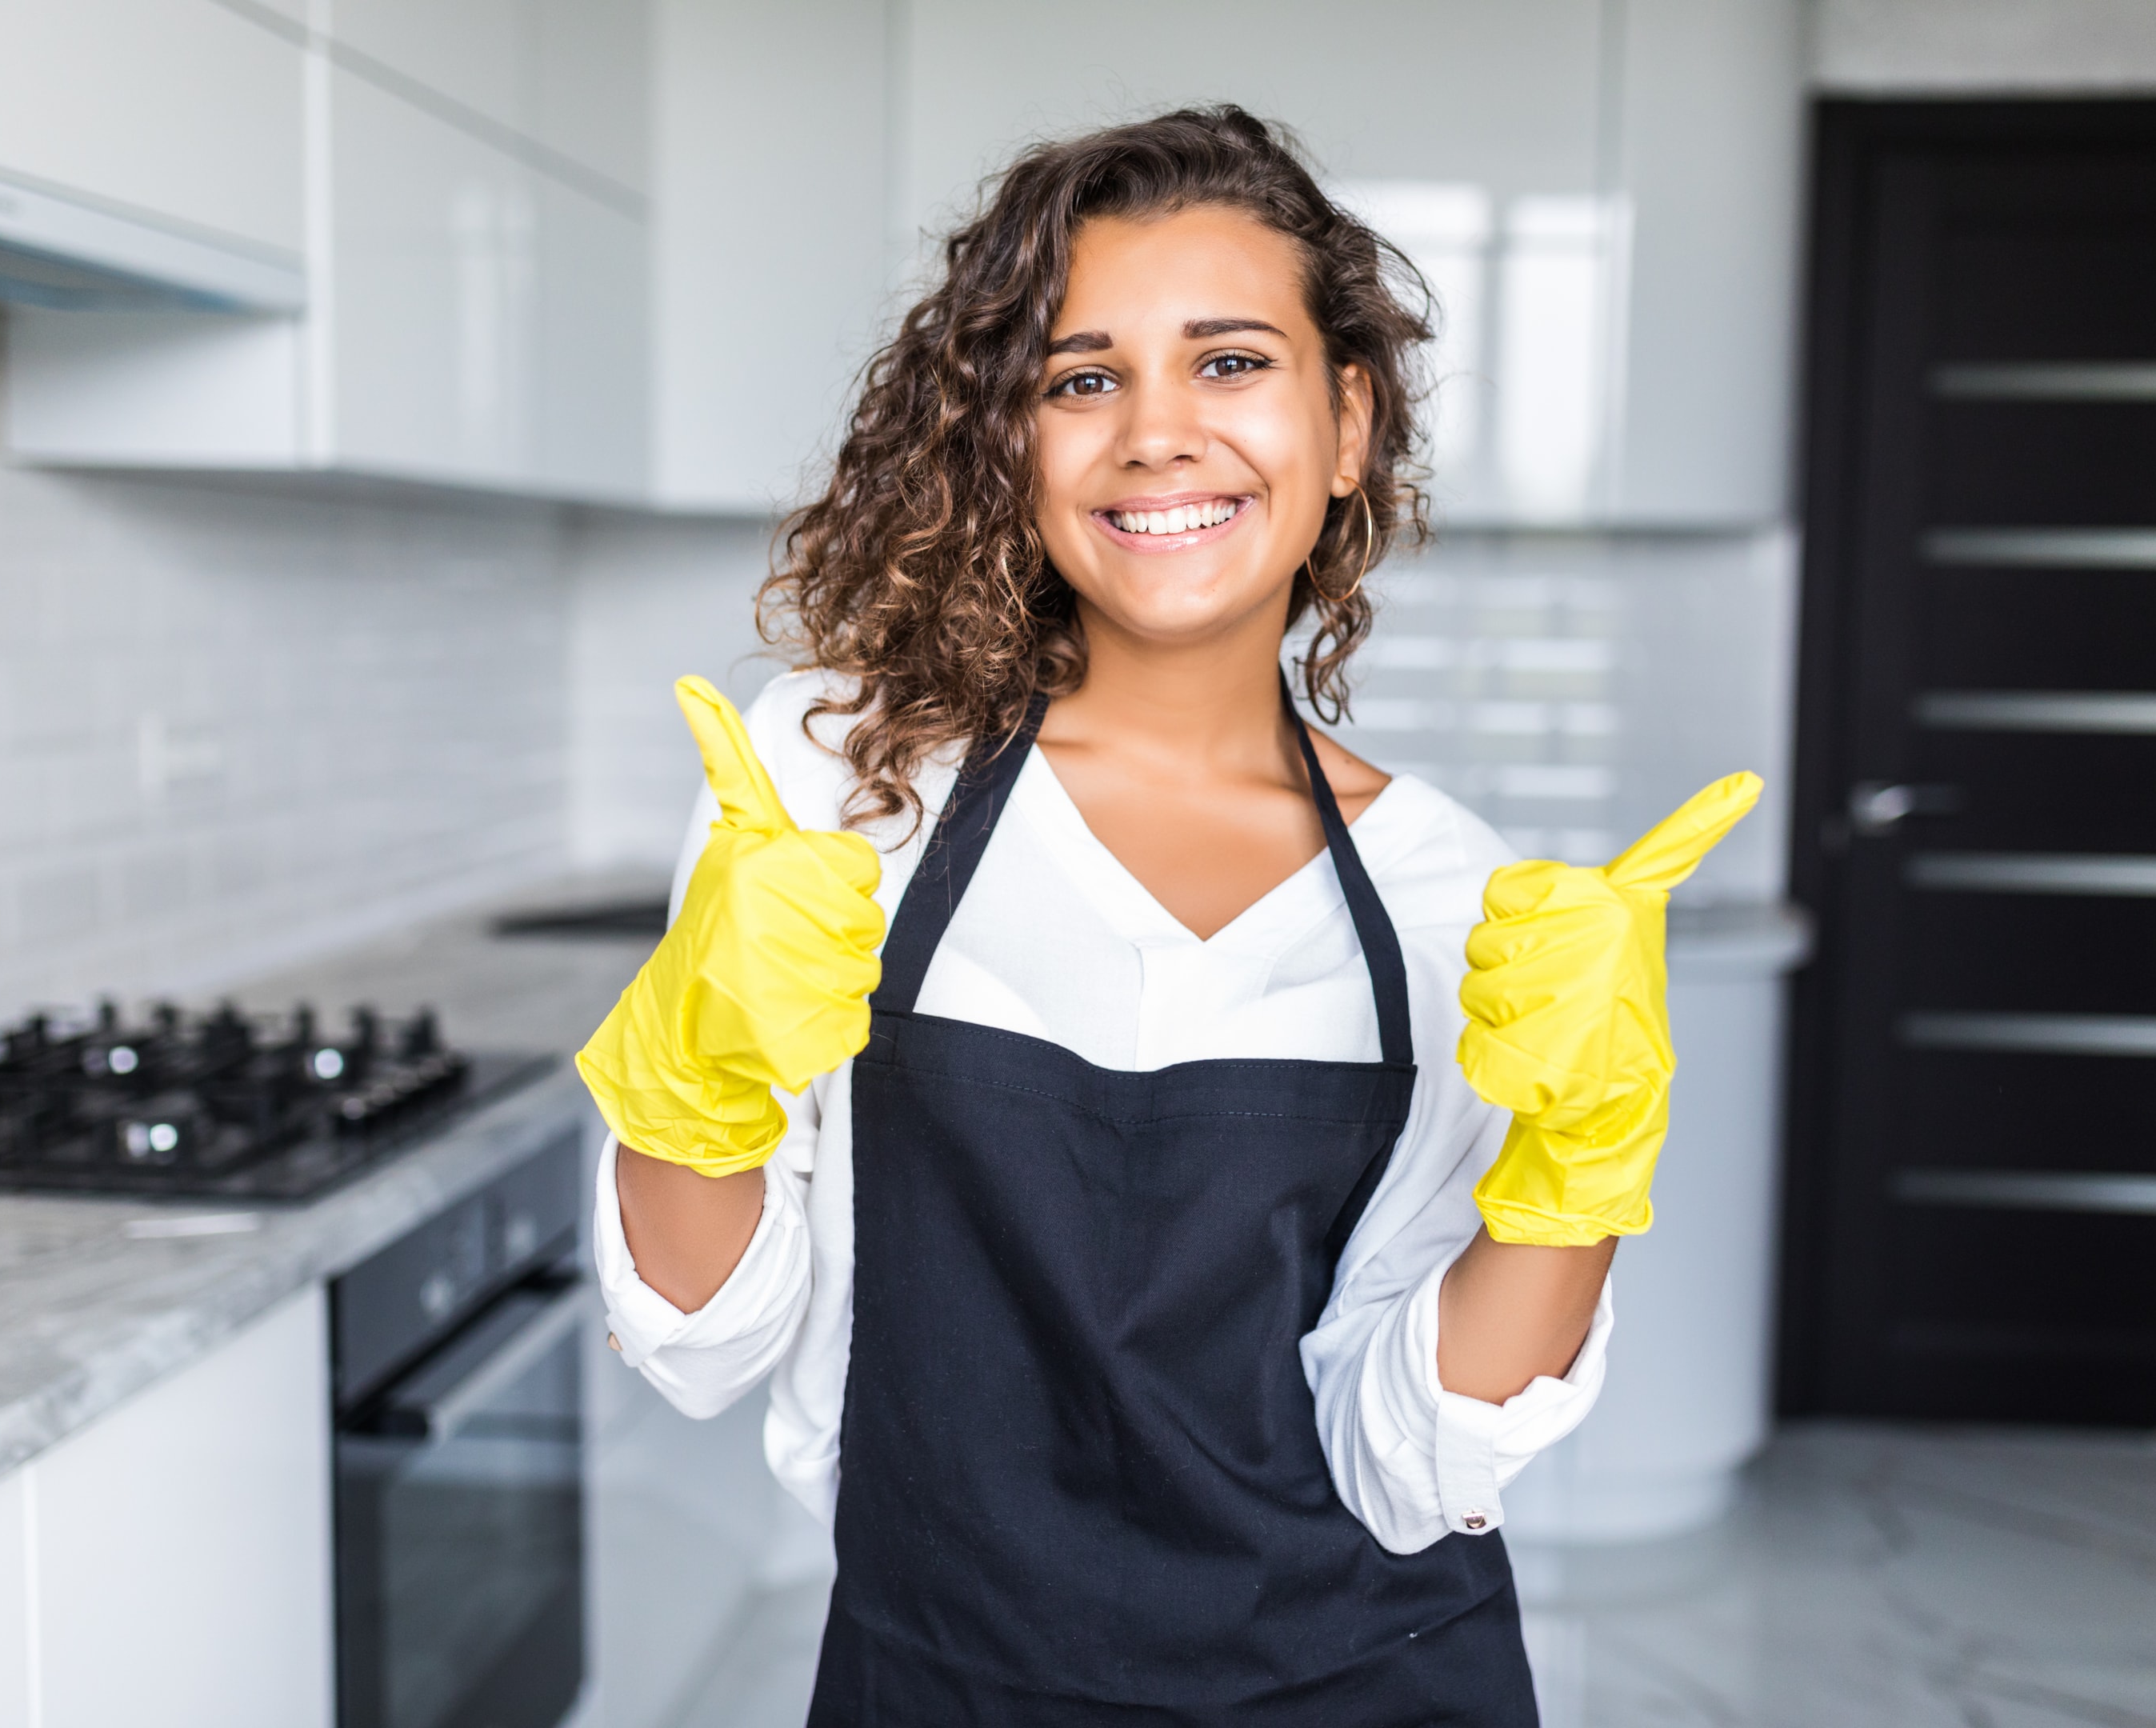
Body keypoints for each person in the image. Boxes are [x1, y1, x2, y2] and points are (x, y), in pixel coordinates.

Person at [578, 106, 1758, 1727]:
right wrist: (691, 1089)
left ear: (1346, 423)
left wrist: (1578, 1186)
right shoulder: (835, 779)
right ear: (1013, 440)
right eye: (1081, 379)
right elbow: (703, 1344)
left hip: (1365, 1681)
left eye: (1228, 364)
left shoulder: (1457, 898)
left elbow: (1414, 1459)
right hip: (941, 1681)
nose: (1155, 434)